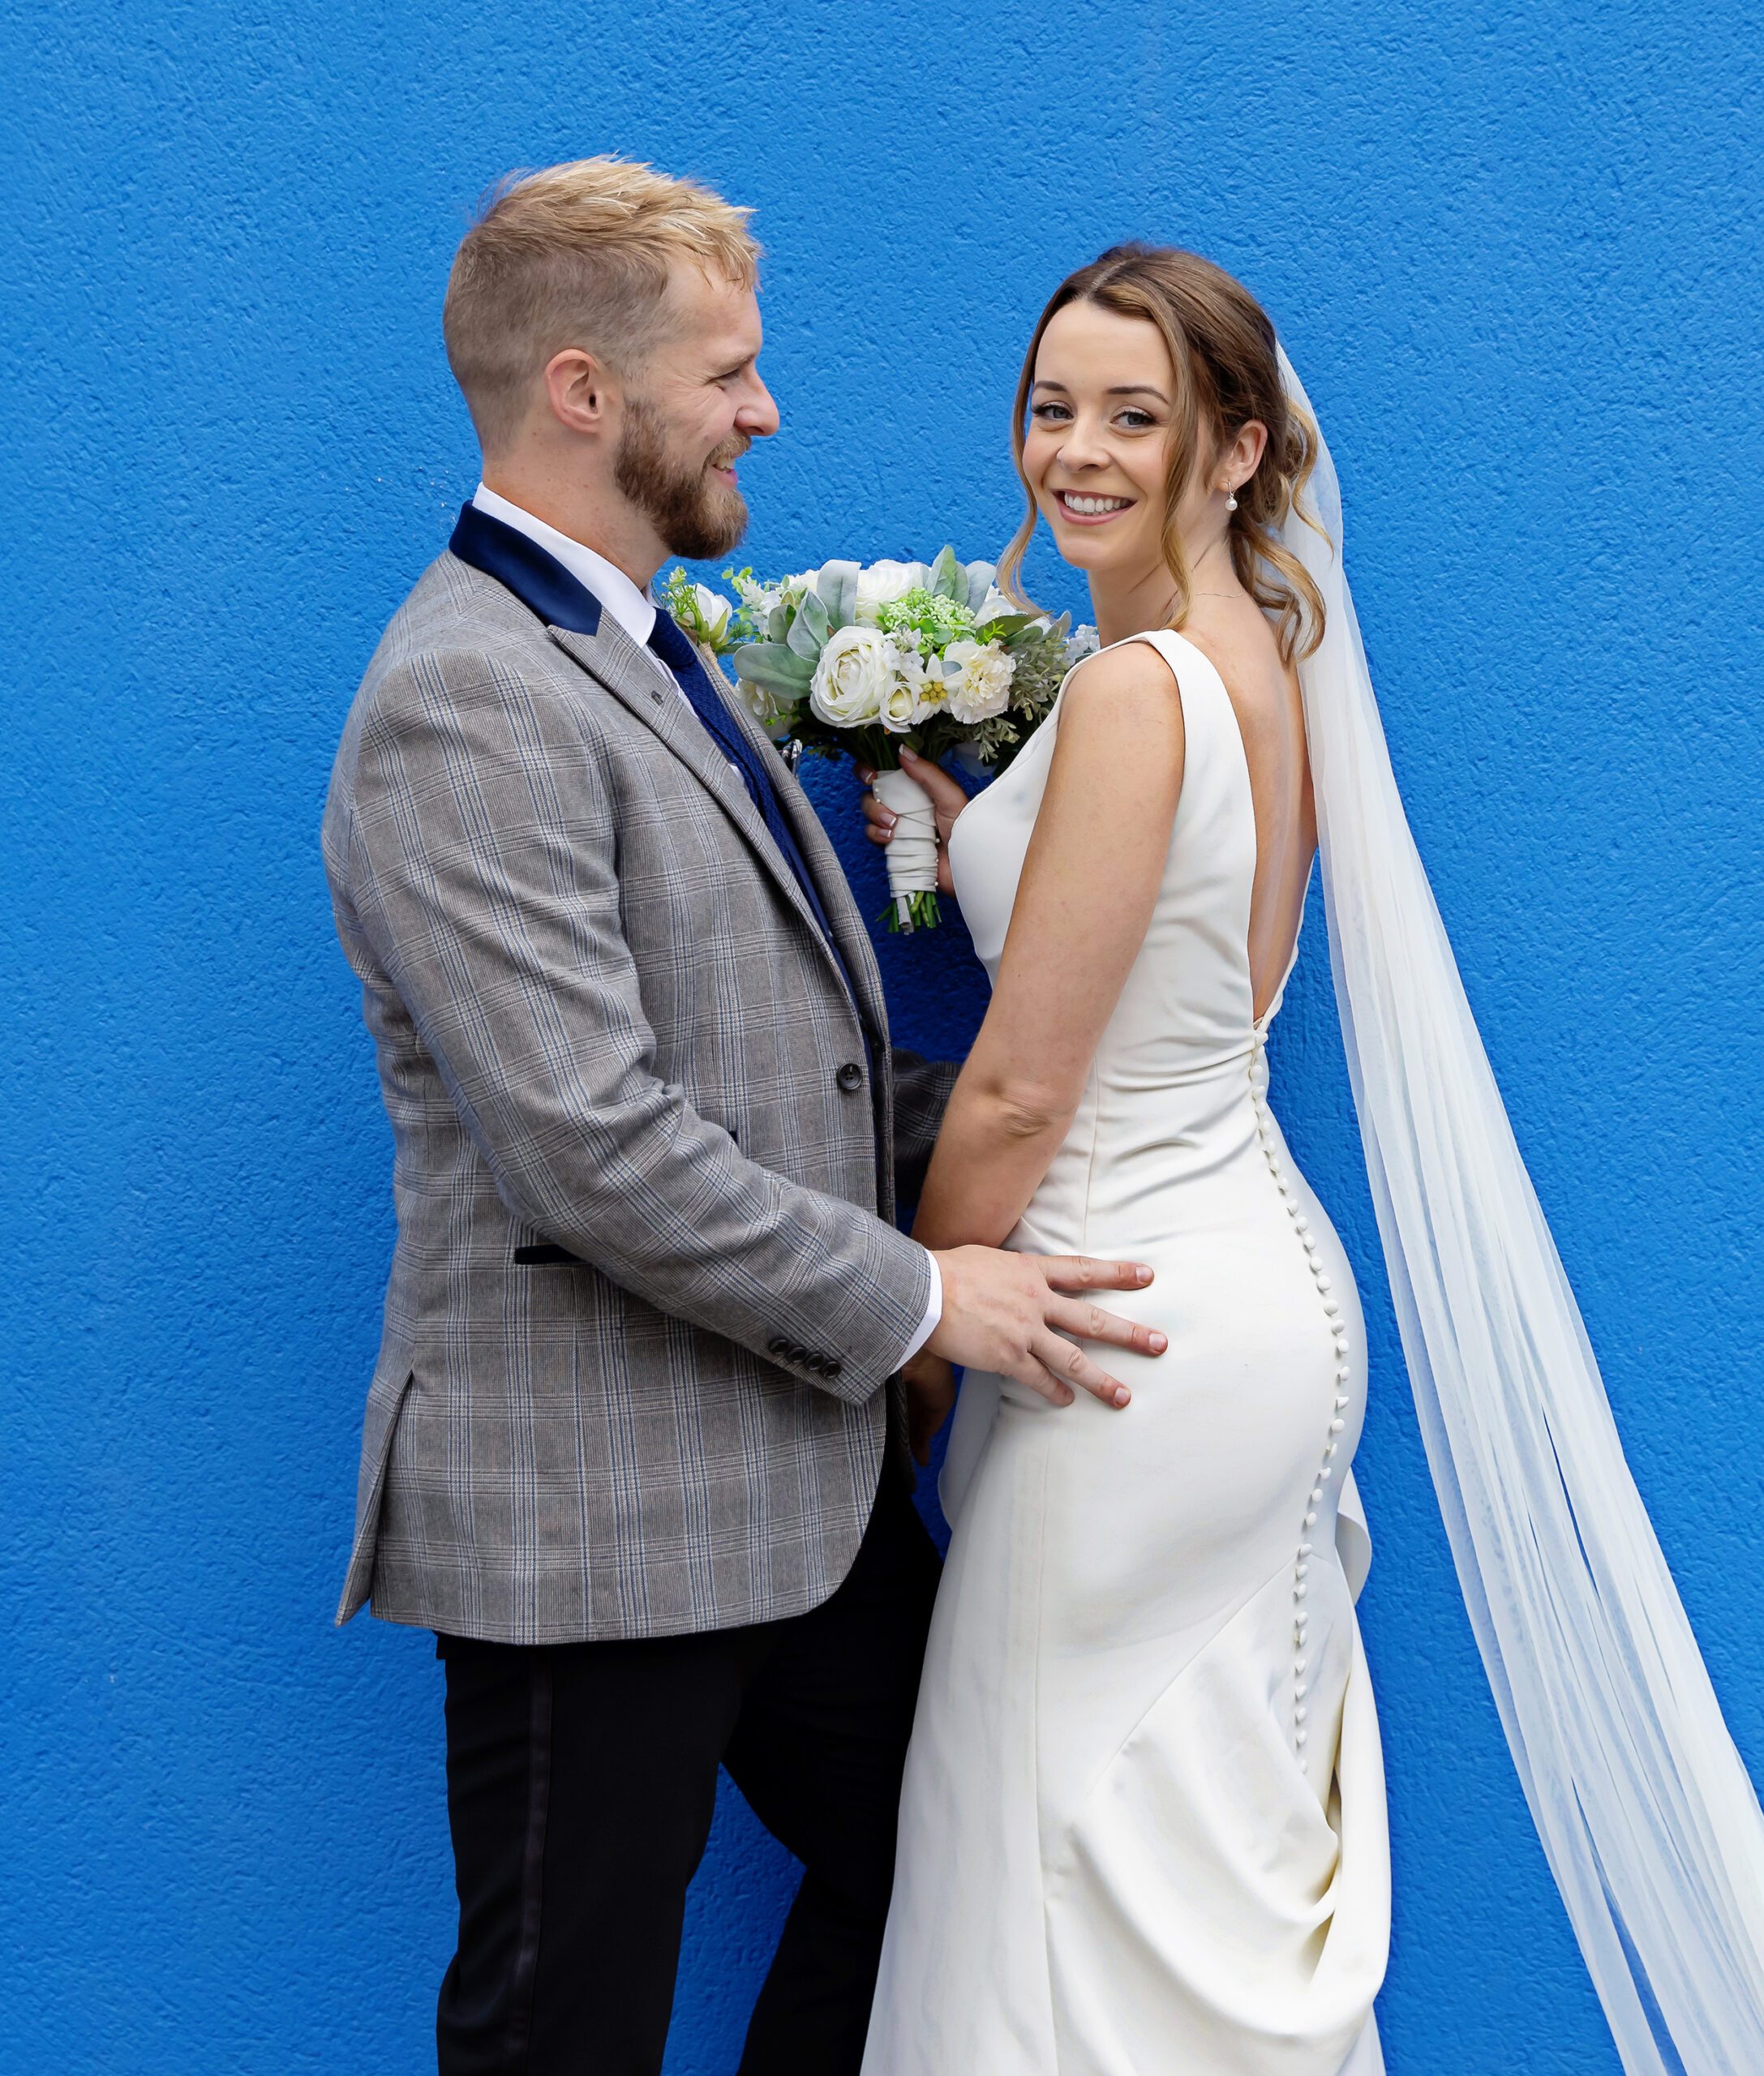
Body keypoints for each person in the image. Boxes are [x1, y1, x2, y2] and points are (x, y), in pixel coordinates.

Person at [857, 245, 1764, 2074]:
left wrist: (929, 1335)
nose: (1077, 451)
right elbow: (1179, 960)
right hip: (1248, 1296)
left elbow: (1027, 1093)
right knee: (1186, 1864)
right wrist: (976, 829)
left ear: (1236, 447)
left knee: (1041, 1855)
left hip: (1110, 1322)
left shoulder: (1127, 699)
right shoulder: (1254, 666)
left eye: (1135, 413)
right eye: (1051, 409)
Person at [320, 161, 1163, 2076]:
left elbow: (800, 1070)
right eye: (733, 370)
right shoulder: (458, 697)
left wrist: (1110, 1150)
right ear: (584, 393)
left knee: (955, 1871)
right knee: (562, 2025)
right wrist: (930, 1301)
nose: (765, 408)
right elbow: (590, 1142)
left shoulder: (653, 643)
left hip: (800, 1492)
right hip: (593, 1518)